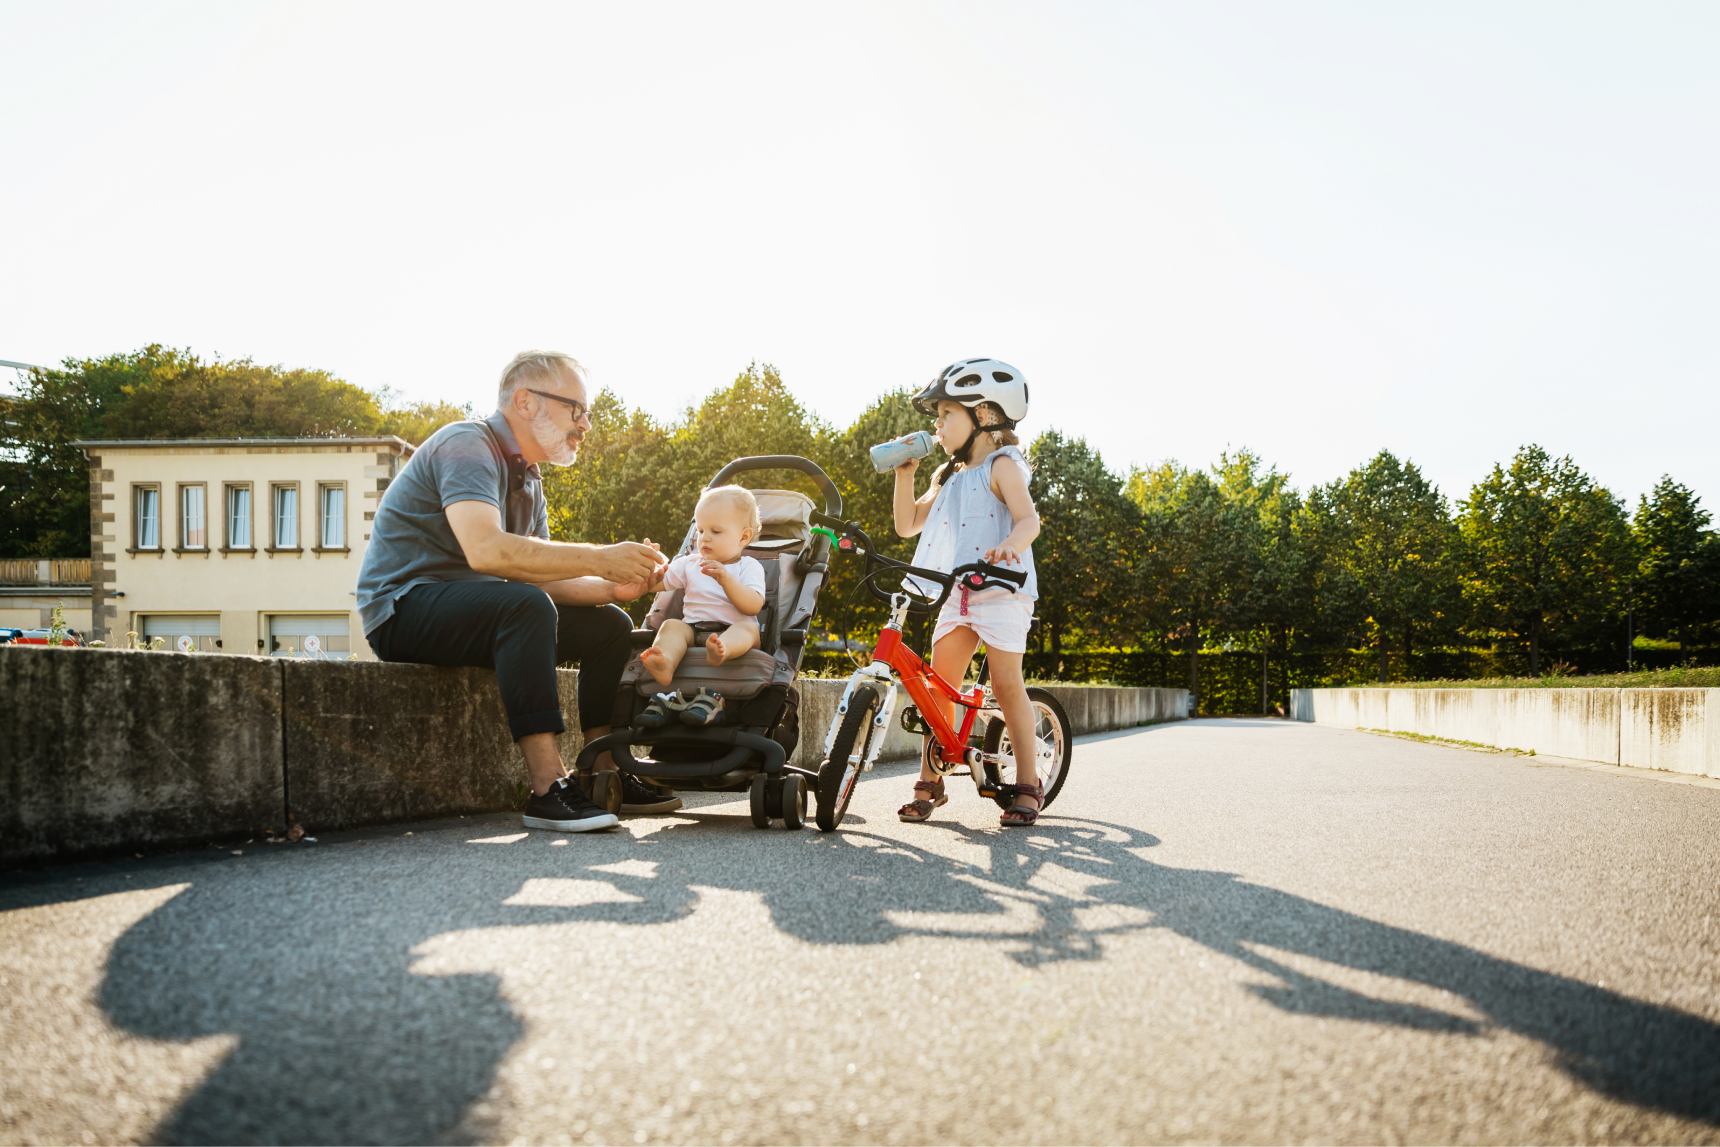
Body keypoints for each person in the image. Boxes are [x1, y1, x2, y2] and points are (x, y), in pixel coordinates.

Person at [355, 350, 675, 833]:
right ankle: (548, 788)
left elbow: (543, 576)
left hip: (483, 611)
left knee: (610, 625)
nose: (585, 424)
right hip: (405, 607)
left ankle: (603, 770)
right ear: (525, 402)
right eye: (576, 409)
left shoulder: (528, 478)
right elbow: (487, 551)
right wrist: (598, 554)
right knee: (524, 607)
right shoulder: (466, 444)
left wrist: (616, 585)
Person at [889, 358, 1045, 826]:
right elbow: (906, 525)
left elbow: (1029, 521)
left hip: (1002, 589)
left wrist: (1009, 547)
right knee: (938, 689)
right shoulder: (951, 476)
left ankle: (1028, 781)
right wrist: (905, 472)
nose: (937, 426)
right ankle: (931, 783)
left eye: (946, 415)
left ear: (985, 415)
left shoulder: (1002, 465)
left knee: (1004, 684)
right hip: (959, 593)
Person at [637, 485, 767, 703]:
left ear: (743, 537)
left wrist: (726, 580)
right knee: (671, 625)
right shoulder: (690, 563)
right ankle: (665, 662)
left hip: (732, 629)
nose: (704, 538)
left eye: (715, 532)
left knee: (749, 629)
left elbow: (753, 606)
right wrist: (648, 567)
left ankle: (722, 650)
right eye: (700, 530)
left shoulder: (749, 566)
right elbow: (657, 583)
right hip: (693, 630)